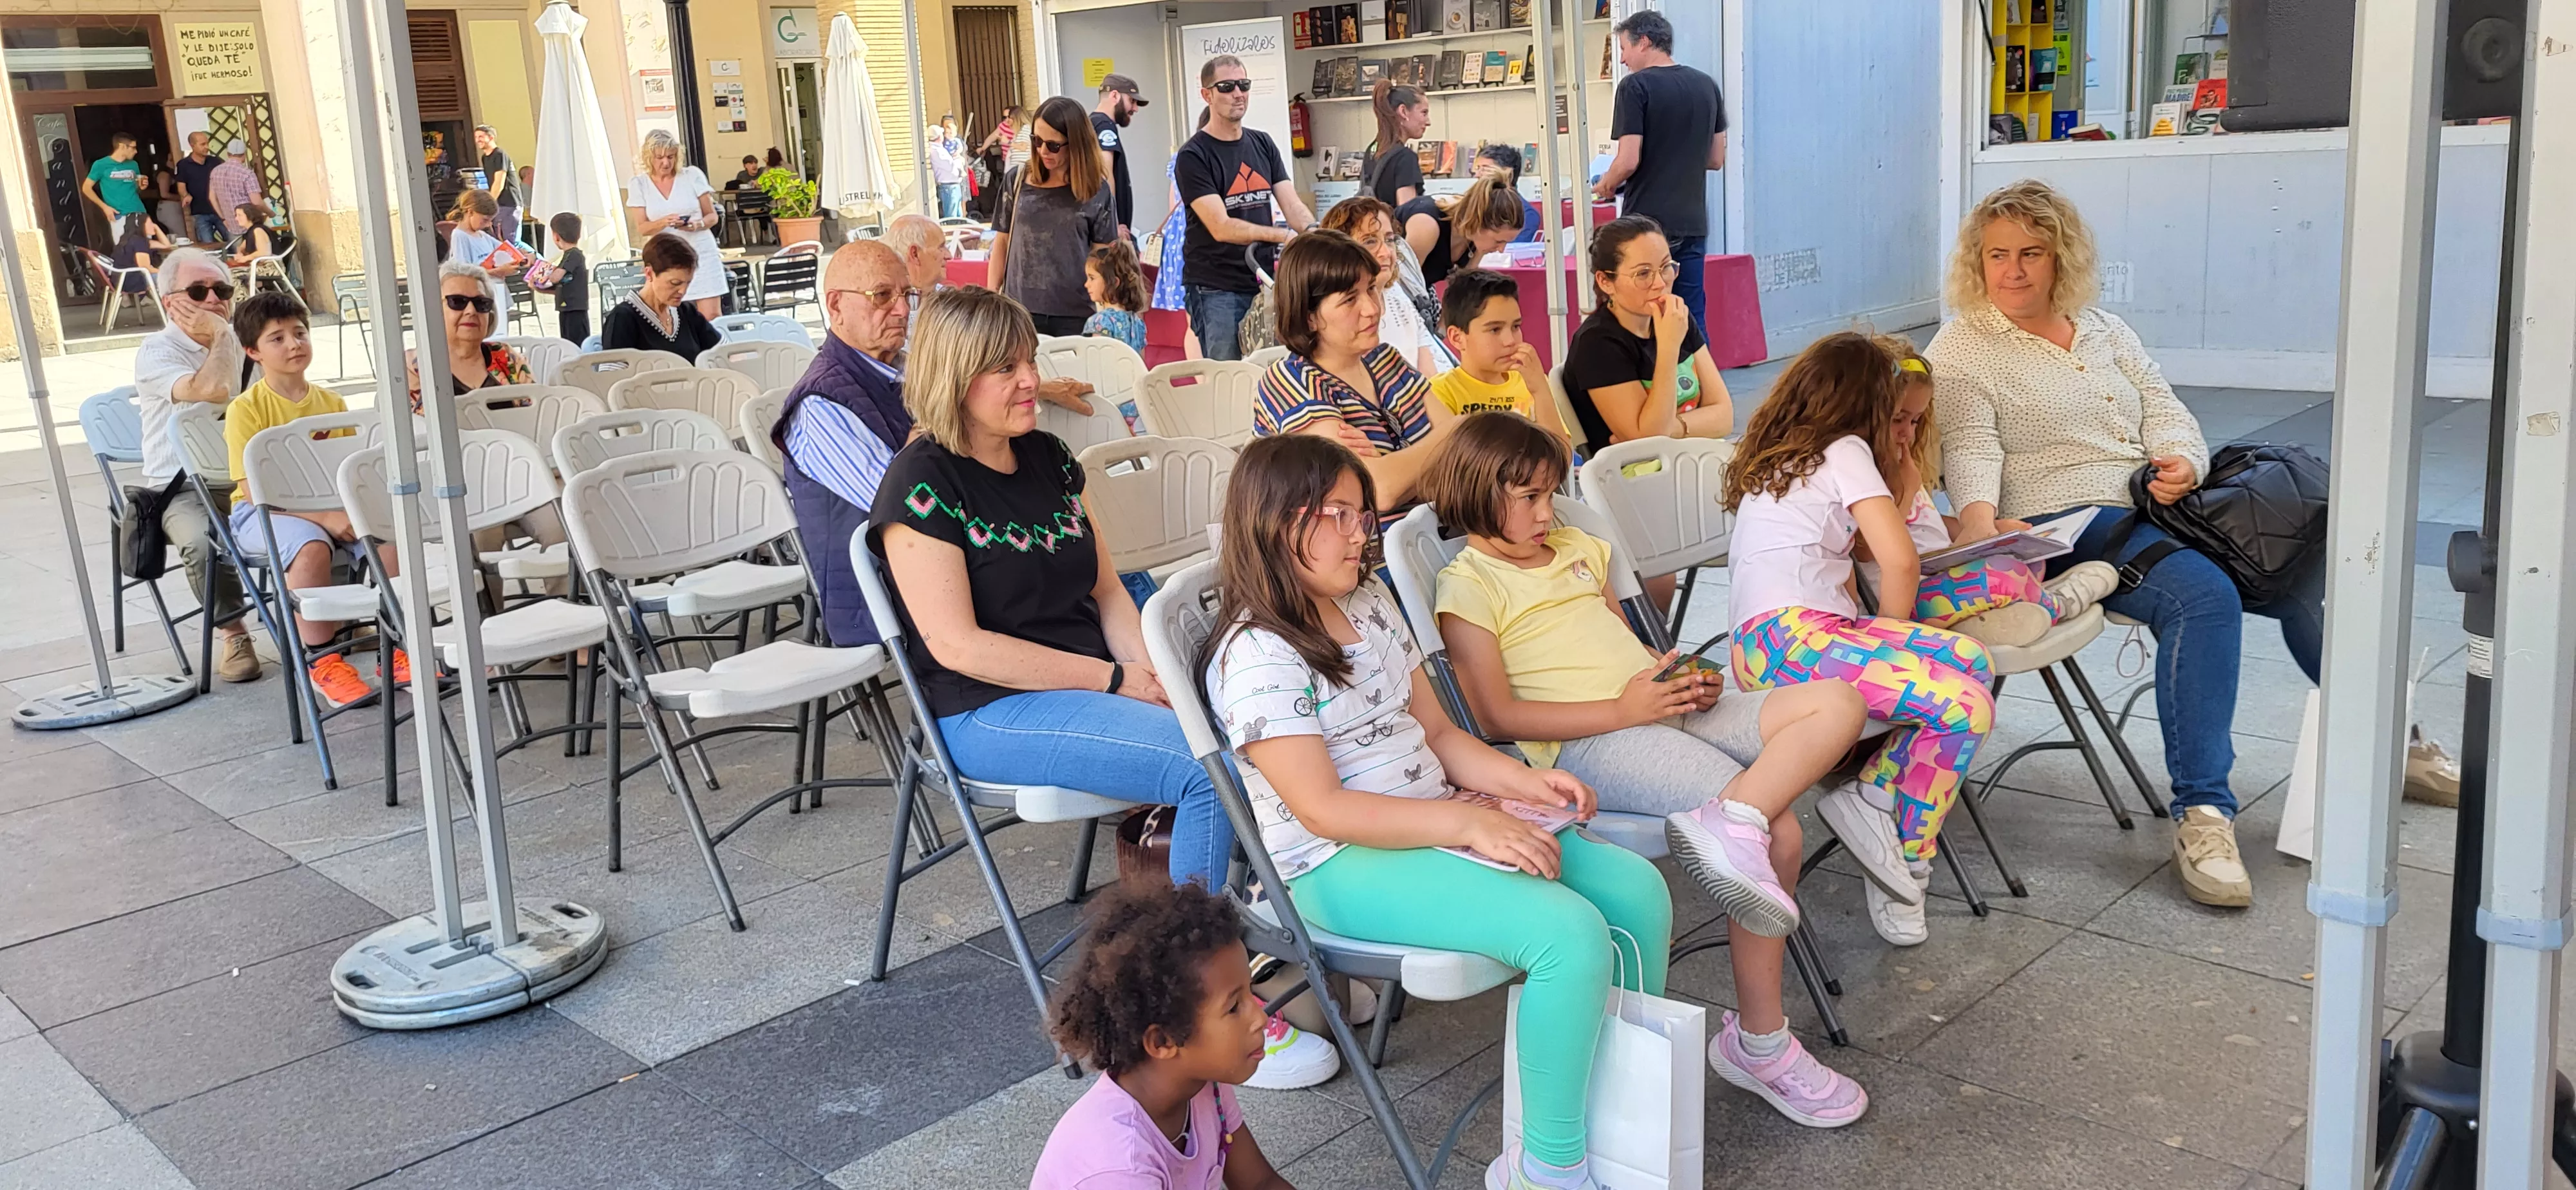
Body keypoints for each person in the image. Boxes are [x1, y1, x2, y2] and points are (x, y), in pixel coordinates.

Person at [1205, 432, 1661, 1189]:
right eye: (1343, 516)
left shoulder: (1369, 600)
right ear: (1283, 524)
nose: (1364, 532)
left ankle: (1615, 1111)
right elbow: (1321, 810)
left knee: (1635, 892)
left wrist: (1517, 786)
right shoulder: (1257, 654)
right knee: (1567, 932)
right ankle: (1549, 1168)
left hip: (1435, 815)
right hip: (1338, 863)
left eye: (1363, 515)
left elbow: (1442, 734)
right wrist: (1467, 821)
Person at [1421, 413, 1870, 1127]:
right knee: (1781, 834)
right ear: (1477, 493)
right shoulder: (1468, 584)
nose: (1546, 512)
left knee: (1838, 703)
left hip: (1656, 709)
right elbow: (1496, 718)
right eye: (1528, 497)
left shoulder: (1579, 547)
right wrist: (1625, 707)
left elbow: (1625, 649)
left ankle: (1734, 819)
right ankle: (1760, 1042)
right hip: (1590, 741)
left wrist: (1679, 678)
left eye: (1550, 494)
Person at [1927, 178, 2323, 909]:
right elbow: (1969, 445)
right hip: (2065, 522)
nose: (2011, 271)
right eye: (1996, 255)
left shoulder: (2103, 327)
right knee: (2203, 599)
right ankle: (2203, 813)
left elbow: (2164, 407)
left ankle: (2385, 737)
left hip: (2158, 506)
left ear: (2060, 258)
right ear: (1976, 263)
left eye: (2030, 254)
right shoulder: (1964, 346)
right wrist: (1980, 526)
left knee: (2298, 573)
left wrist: (2184, 463)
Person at [864, 285, 1247, 904]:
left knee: (1265, 722)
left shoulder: (1048, 457)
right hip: (985, 707)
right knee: (1207, 768)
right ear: (955, 379)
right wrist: (1114, 680)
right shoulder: (923, 481)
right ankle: (1196, 977)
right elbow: (958, 647)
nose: (1029, 381)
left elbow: (1106, 590)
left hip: (1087, 680)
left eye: (1028, 361)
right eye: (1004, 368)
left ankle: (1273, 924)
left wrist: (1153, 675)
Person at [1722, 332, 1999, 947]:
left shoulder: (1788, 448)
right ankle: (1907, 854)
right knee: (1966, 705)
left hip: (1779, 642)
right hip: (1791, 644)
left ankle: (1875, 798)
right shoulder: (1845, 447)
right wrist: (1897, 643)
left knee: (1971, 661)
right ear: (1866, 404)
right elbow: (1900, 562)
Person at [1032, 882, 1299, 1189]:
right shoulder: (1120, 1168)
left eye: (1251, 995)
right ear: (1163, 1042)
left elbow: (1260, 1183)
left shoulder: (1201, 1084)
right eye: (1234, 1008)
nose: (1261, 1018)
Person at [1868, 335, 2117, 648]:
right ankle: (2057, 604)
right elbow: (1866, 549)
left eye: (1916, 421)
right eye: (1898, 419)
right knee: (2002, 574)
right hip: (1907, 599)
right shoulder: (1863, 475)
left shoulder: (1900, 461)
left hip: (1940, 576)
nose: (1909, 432)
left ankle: (1989, 622)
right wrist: (1905, 490)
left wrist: (1994, 534)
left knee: (2026, 558)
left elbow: (1927, 523)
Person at [220, 292, 402, 706]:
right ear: (253, 352)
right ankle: (324, 660)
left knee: (389, 537)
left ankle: (397, 645)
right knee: (310, 547)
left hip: (329, 502)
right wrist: (323, 517)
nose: (294, 344)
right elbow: (253, 490)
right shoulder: (246, 409)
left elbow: (345, 469)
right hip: (263, 512)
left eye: (300, 333)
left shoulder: (330, 403)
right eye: (277, 338)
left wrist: (349, 510)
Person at [778, 241, 920, 647]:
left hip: (946, 577)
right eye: (882, 296)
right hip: (882, 602)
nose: (903, 310)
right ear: (836, 305)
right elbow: (906, 507)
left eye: (907, 294)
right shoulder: (820, 405)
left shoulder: (902, 369)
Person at [1253, 231, 1455, 513]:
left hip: (1435, 537)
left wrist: (1398, 469)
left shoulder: (1387, 361)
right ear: (1309, 317)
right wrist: (1450, 435)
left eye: (1372, 289)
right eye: (1350, 300)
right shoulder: (1290, 383)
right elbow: (1379, 491)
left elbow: (1465, 457)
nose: (1372, 309)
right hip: (1363, 552)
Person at [131, 249, 256, 682]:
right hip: (182, 485)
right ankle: (234, 632)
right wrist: (222, 337)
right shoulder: (156, 352)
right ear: (171, 302)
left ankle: (325, 620)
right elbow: (214, 388)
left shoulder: (247, 340)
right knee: (204, 543)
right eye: (198, 291)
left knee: (323, 511)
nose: (214, 300)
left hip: (248, 475)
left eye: (222, 290)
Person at [1590, 10, 1728, 338]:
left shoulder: (1635, 87)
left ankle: (1649, 384)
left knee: (1642, 311)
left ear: (1645, 43)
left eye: (1624, 48)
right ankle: (1701, 386)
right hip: (1692, 220)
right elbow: (1716, 158)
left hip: (1646, 224)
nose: (1622, 59)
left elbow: (1628, 160)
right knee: (1692, 313)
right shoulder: (1706, 85)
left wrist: (1605, 185)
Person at [1176, 55, 1314, 361]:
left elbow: (1292, 205)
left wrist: (1316, 234)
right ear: (1207, 94)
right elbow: (1220, 226)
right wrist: (1281, 237)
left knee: (1272, 371)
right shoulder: (1194, 155)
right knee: (1228, 380)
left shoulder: (1262, 143)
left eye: (1244, 85)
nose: (1238, 93)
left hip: (1264, 282)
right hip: (1216, 287)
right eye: (1226, 86)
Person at [1558, 216, 1732, 457]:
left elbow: (1724, 416)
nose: (1660, 283)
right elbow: (1650, 443)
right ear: (1606, 282)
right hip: (1636, 479)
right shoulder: (1597, 343)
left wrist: (1675, 427)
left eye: (1666, 267)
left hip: (1693, 463)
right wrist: (1669, 348)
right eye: (1643, 274)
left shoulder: (1676, 316)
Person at [987, 96, 1119, 337]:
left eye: (1054, 145)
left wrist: (1106, 312)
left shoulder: (1096, 191)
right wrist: (992, 298)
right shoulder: (1016, 180)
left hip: (1077, 316)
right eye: (1036, 141)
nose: (1043, 151)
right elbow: (1002, 243)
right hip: (1019, 313)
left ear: (1077, 144)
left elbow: (1102, 258)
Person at [1316, 196, 1446, 376]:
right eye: (1370, 241)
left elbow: (1429, 367)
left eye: (1389, 240)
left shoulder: (1395, 293)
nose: (1386, 252)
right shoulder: (1336, 313)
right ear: (1340, 250)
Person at [1428, 270, 1565, 437]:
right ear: (1458, 338)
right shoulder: (1441, 391)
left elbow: (1563, 455)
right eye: (1495, 330)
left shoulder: (1531, 383)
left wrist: (1540, 390)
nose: (1510, 341)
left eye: (1516, 327)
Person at [625, 128, 726, 320]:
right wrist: (665, 222)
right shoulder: (639, 184)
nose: (666, 162)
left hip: (701, 251)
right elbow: (643, 228)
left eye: (671, 157)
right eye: (660, 157)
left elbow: (712, 216)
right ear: (649, 158)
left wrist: (697, 225)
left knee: (712, 315)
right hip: (666, 258)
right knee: (669, 316)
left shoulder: (691, 175)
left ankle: (713, 350)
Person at [406, 262, 533, 407]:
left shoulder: (506, 356)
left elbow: (538, 414)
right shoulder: (412, 367)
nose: (471, 311)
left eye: (481, 303)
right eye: (457, 302)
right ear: (432, 309)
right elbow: (416, 425)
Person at [599, 232, 723, 361]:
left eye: (688, 283)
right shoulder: (623, 319)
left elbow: (724, 353)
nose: (683, 291)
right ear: (649, 273)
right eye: (675, 283)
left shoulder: (686, 313)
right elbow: (612, 376)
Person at [1392, 175, 1528, 290]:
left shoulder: (1476, 237)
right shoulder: (1426, 226)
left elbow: (1461, 293)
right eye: (1499, 241)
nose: (1502, 250)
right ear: (1477, 223)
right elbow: (1400, 288)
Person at [448, 190, 529, 315]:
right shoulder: (459, 236)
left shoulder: (483, 236)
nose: (488, 225)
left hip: (495, 291)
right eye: (485, 220)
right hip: (478, 296)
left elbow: (505, 249)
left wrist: (521, 253)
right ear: (470, 212)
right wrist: (497, 271)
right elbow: (463, 271)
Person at [1092, 74, 1150, 242]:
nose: (1135, 108)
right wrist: (1113, 223)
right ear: (1115, 96)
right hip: (1110, 232)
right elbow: (1105, 174)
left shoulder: (1092, 124)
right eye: (1132, 101)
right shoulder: (1104, 127)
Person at [1364, 81, 1430, 207]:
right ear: (1403, 112)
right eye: (1424, 113)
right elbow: (1407, 213)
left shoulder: (1372, 150)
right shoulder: (1405, 158)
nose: (1428, 122)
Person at [1084, 240, 1149, 356]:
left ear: (1114, 282)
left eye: (1092, 278)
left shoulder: (1100, 322)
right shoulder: (1138, 324)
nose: (1086, 284)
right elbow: (1141, 364)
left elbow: (1094, 361)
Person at [536, 212, 591, 344]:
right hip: (567, 307)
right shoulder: (568, 257)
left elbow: (556, 278)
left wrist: (543, 273)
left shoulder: (574, 255)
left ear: (556, 237)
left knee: (576, 344)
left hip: (575, 309)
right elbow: (562, 285)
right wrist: (539, 287)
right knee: (567, 343)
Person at [1473, 144, 1545, 244]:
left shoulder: (1526, 215)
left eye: (1485, 169)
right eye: (1478, 168)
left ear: (1507, 173)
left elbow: (1507, 255)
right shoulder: (1471, 207)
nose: (1477, 175)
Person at [82, 133, 146, 240]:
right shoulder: (101, 165)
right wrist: (105, 207)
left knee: (146, 248)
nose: (136, 151)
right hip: (119, 215)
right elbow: (86, 188)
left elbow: (136, 189)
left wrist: (141, 187)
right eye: (133, 147)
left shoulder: (134, 164)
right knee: (124, 250)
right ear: (122, 146)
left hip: (139, 211)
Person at [473, 124, 522, 247]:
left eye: (481, 137)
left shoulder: (500, 155)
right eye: (476, 137)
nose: (478, 140)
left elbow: (499, 182)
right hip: (499, 205)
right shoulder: (485, 158)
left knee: (512, 242)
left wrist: (488, 204)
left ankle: (537, 261)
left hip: (509, 203)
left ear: (491, 138)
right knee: (501, 241)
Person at [173, 132, 223, 245]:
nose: (207, 147)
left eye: (207, 143)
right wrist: (186, 195)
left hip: (221, 210)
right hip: (200, 213)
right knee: (208, 247)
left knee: (233, 243)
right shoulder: (183, 165)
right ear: (192, 145)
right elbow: (181, 186)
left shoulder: (215, 162)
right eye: (203, 144)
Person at [210, 142, 262, 238]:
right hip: (250, 224)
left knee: (237, 251)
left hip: (231, 225)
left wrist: (223, 218)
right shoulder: (247, 173)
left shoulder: (215, 172)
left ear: (228, 154)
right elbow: (257, 202)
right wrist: (270, 213)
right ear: (244, 155)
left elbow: (212, 198)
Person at [110, 217, 171, 293]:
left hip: (122, 281)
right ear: (140, 226)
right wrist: (166, 272)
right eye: (150, 223)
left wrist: (156, 227)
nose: (153, 226)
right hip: (132, 282)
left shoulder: (130, 240)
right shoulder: (139, 242)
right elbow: (146, 269)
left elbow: (166, 245)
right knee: (173, 278)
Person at [923, 123, 965, 220]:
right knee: (952, 217)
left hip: (953, 185)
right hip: (948, 187)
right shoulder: (936, 151)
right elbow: (950, 166)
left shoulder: (939, 149)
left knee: (957, 215)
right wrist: (960, 160)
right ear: (939, 137)